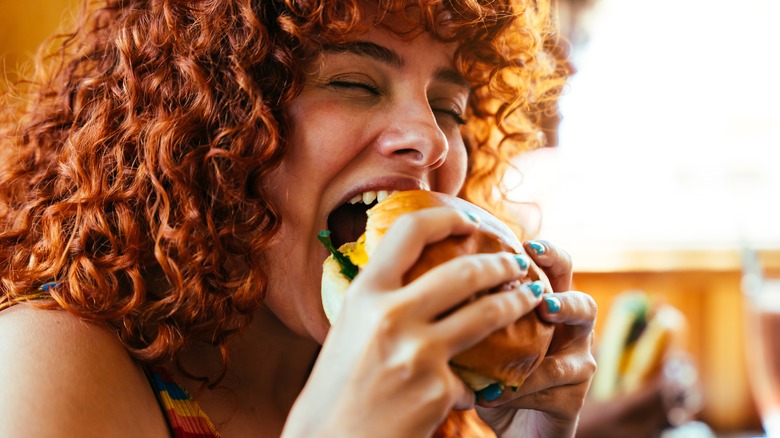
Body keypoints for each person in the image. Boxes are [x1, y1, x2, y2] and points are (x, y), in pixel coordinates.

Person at [0, 0, 597, 436]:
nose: (431, 140)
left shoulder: (429, 386)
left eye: (448, 106)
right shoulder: (47, 360)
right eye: (354, 83)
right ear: (211, 123)